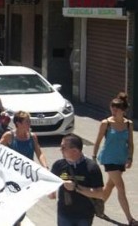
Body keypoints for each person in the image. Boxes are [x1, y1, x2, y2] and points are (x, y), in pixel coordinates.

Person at [92, 92, 136, 225]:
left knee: (110, 186)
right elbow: (98, 141)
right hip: (108, 159)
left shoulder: (128, 124)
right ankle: (130, 219)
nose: (113, 110)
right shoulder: (106, 123)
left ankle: (96, 208)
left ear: (123, 110)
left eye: (116, 108)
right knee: (121, 188)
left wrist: (130, 158)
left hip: (120, 159)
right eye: (112, 108)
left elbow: (131, 143)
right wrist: (94, 156)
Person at [50, 134, 104, 226]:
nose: (60, 150)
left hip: (84, 215)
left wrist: (76, 187)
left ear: (75, 151)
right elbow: (51, 185)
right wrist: (51, 192)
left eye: (63, 147)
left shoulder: (91, 167)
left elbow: (99, 193)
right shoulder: (58, 165)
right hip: (64, 214)